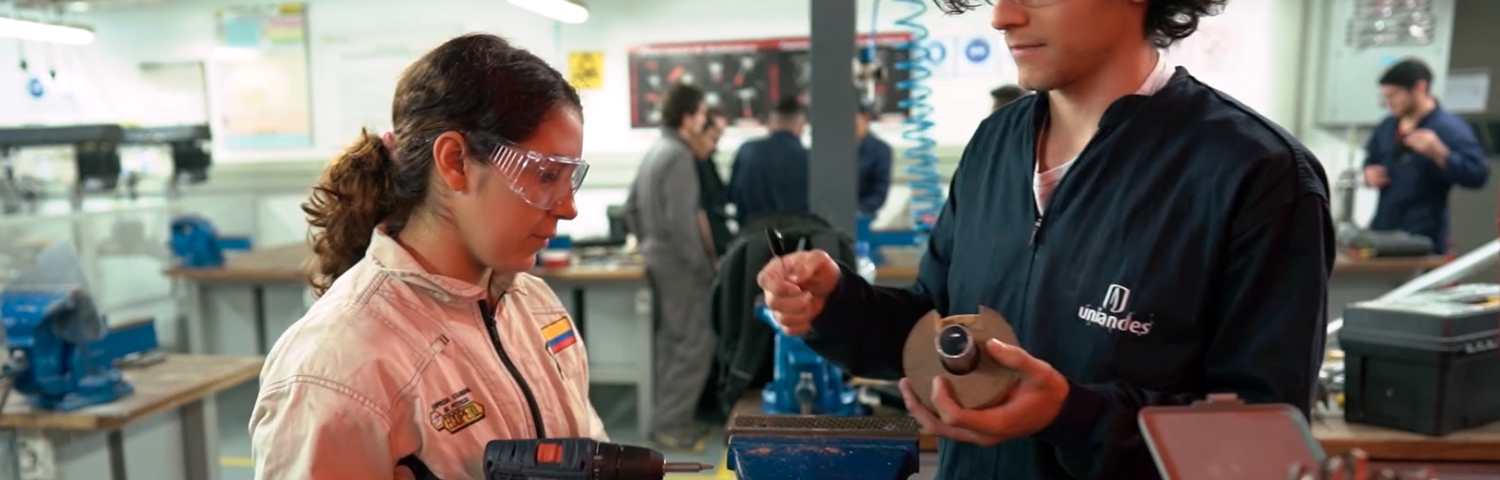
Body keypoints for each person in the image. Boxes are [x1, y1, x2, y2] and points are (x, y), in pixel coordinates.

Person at [755, 1, 1334, 479]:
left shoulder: (1257, 176)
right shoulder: (993, 146)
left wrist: (1072, 415)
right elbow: (939, 330)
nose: (1002, 16)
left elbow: (1260, 446)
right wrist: (838, 306)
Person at [250, 34, 605, 480]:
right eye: (546, 174)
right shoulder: (336, 369)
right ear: (455, 161)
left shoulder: (535, 306)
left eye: (571, 178)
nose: (568, 206)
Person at [623, 83, 718, 452]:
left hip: (656, 255)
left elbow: (630, 207)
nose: (703, 121)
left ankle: (665, 418)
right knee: (694, 343)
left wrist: (648, 243)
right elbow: (683, 223)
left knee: (670, 342)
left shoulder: (654, 150)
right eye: (701, 114)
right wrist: (703, 268)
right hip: (679, 262)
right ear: (689, 116)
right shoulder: (677, 154)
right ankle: (671, 425)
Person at [1363, 58, 1489, 254]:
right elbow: (1371, 159)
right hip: (1383, 231)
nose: (1389, 104)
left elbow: (1478, 175)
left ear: (1419, 88)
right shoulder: (1387, 126)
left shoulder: (1449, 128)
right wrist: (1368, 174)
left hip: (1424, 238)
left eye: (1394, 96)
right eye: (1385, 98)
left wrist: (1440, 154)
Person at [728, 95, 809, 225]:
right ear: (801, 126)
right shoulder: (809, 160)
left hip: (751, 238)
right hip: (798, 240)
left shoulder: (747, 152)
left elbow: (731, 196)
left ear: (771, 123)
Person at [693, 108, 734, 255]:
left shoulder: (707, 161)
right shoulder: (693, 165)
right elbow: (701, 212)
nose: (714, 146)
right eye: (713, 138)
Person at [856, 104, 894, 218]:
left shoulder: (880, 150)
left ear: (865, 118)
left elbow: (879, 190)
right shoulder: (832, 149)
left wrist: (859, 211)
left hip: (862, 216)